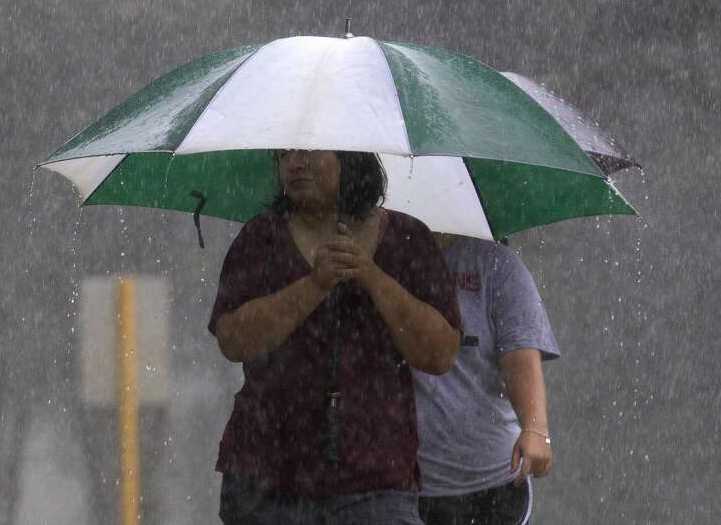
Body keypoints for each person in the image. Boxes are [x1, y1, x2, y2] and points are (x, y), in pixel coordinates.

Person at [209, 148, 463, 525]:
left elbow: (440, 353)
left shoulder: (408, 238)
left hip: (377, 478)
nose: (293, 165)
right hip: (266, 478)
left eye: (308, 151)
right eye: (282, 155)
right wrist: (315, 285)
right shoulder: (260, 240)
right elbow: (233, 339)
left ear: (351, 156)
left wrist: (371, 275)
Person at [413, 235, 560, 525]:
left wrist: (535, 427)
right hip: (408, 482)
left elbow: (519, 355)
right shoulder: (388, 257)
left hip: (495, 479)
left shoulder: (498, 266)